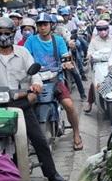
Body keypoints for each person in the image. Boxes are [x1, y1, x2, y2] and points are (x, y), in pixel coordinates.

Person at [0, 17, 67, 181]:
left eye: (7, 33)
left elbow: (34, 74)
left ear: (12, 34)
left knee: (38, 139)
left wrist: (36, 84)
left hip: (20, 103)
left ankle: (51, 173)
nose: (3, 36)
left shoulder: (23, 53)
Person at [24, 13, 84, 151]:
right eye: (39, 25)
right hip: (35, 81)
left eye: (45, 24)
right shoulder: (31, 41)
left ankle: (76, 134)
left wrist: (67, 63)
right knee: (26, 106)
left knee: (69, 105)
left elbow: (65, 56)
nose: (43, 27)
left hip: (55, 80)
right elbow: (25, 58)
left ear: (51, 25)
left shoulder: (58, 40)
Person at [84, 20, 112, 113]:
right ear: (97, 30)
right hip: (99, 65)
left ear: (108, 29)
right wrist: (89, 56)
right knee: (95, 83)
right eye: (100, 29)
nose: (103, 31)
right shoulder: (94, 41)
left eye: (105, 29)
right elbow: (90, 51)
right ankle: (89, 103)